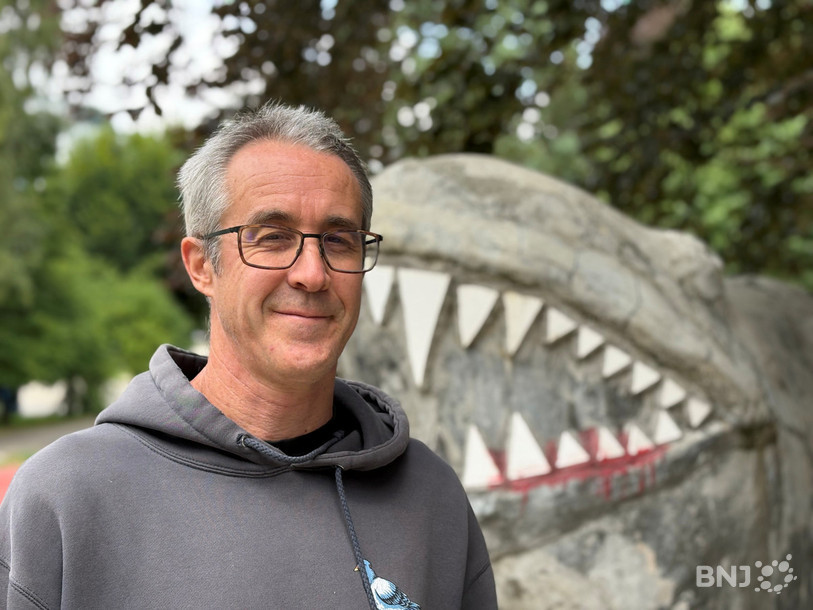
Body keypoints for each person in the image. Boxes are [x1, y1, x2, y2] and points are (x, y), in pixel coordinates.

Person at [0, 102, 497, 609]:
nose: (312, 273)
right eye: (272, 237)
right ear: (201, 267)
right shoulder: (66, 498)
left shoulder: (432, 499)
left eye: (338, 240)